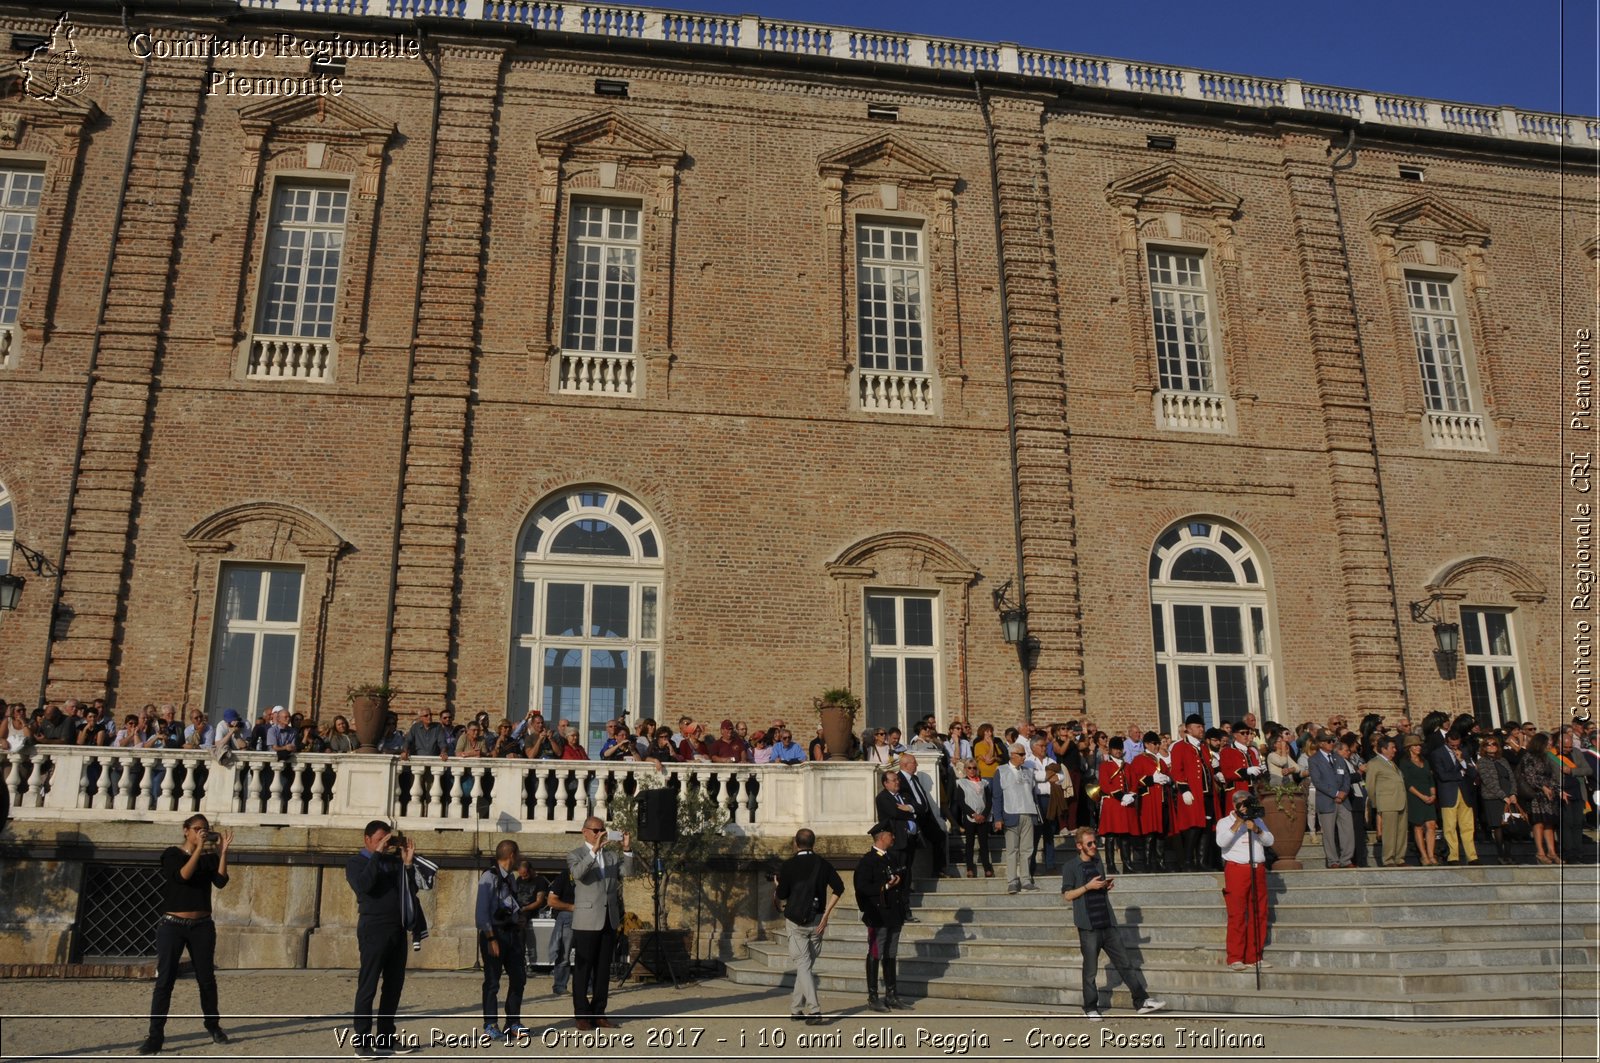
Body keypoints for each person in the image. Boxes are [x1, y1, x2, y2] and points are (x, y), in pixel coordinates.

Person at [138, 815, 233, 1055]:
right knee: (165, 981)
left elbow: (221, 881)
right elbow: (182, 876)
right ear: (185, 831)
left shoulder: (208, 858)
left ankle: (213, 1026)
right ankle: (155, 1036)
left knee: (207, 980)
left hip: (201, 925)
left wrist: (222, 853)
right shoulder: (172, 855)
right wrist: (198, 849)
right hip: (173, 925)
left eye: (205, 830)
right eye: (197, 829)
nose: (202, 833)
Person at [346, 820, 435, 1058]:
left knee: (394, 986)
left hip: (397, 929)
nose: (384, 845)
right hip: (373, 928)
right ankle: (362, 1041)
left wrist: (407, 863)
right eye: (379, 840)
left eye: (387, 840)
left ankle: (386, 1038)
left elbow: (410, 893)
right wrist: (376, 855)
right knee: (368, 986)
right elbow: (364, 886)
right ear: (367, 839)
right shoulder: (356, 862)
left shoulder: (393, 862)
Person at [1059, 827, 1166, 1020]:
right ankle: (1090, 1008)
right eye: (1089, 843)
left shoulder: (1098, 862)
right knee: (1090, 970)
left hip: (1107, 923)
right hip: (1088, 927)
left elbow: (1097, 891)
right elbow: (1067, 895)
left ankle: (1141, 1001)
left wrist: (1105, 887)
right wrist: (1087, 886)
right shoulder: (1070, 867)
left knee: (1125, 963)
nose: (1094, 846)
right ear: (1079, 846)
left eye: (1094, 842)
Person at [567, 816, 635, 1030]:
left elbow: (629, 873)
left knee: (603, 970)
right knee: (583, 969)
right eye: (595, 830)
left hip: (608, 919)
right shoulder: (576, 855)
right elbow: (578, 874)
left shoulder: (612, 856)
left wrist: (627, 849)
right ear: (584, 831)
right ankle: (582, 1015)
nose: (599, 834)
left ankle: (599, 1013)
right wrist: (593, 852)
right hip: (586, 920)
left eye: (602, 830)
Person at [773, 827, 846, 1025]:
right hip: (818, 920)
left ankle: (814, 1010)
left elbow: (782, 895)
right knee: (805, 966)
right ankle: (796, 1009)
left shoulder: (788, 865)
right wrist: (827, 914)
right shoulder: (823, 864)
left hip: (796, 921)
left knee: (803, 965)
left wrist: (776, 885)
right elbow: (839, 887)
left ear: (796, 844)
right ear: (813, 843)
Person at [853, 824, 910, 1012]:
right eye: (891, 836)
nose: (893, 838)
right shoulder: (868, 861)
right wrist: (885, 887)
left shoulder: (891, 858)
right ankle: (873, 996)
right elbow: (862, 887)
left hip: (894, 913)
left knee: (891, 952)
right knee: (876, 952)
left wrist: (898, 882)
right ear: (882, 837)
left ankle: (892, 994)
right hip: (878, 914)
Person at [475, 840, 529, 1040]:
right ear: (512, 855)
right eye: (519, 854)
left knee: (519, 977)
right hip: (494, 934)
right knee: (492, 981)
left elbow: (511, 903)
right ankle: (490, 1024)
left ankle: (513, 1022)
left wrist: (519, 917)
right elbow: (481, 913)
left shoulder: (511, 878)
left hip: (512, 933)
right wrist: (491, 938)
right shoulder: (488, 877)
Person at [1216, 790, 1274, 971]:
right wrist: (1238, 823)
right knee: (1237, 913)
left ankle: (1254, 956)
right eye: (1241, 803)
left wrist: (1256, 829)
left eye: (1247, 803)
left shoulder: (1257, 820)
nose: (1245, 806)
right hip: (1236, 870)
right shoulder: (1224, 822)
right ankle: (1235, 957)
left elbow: (1270, 840)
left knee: (1259, 913)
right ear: (1234, 804)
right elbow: (1221, 842)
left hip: (1257, 868)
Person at [989, 742, 1041, 893]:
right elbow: (997, 796)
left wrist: (1036, 815)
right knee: (1012, 849)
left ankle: (1026, 879)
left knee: (1027, 849)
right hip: (1010, 812)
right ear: (1012, 755)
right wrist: (997, 817)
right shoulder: (1001, 771)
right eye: (1021, 754)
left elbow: (1033, 794)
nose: (1024, 757)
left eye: (1024, 754)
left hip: (1028, 812)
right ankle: (1012, 881)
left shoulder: (1028, 771)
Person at [1430, 725, 1479, 864]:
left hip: (1465, 793)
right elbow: (1442, 775)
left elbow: (1473, 773)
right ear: (1446, 741)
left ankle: (1472, 856)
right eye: (1452, 745)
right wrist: (1460, 773)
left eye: (1457, 745)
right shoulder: (1437, 753)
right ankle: (1453, 856)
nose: (1455, 747)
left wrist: (1462, 761)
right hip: (1448, 794)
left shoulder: (1464, 752)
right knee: (1450, 827)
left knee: (1468, 826)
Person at [1308, 731, 1354, 868]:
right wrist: (1335, 793)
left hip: (1344, 801)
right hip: (1327, 800)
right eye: (1329, 741)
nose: (1332, 743)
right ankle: (1333, 860)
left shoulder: (1338, 758)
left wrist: (1344, 792)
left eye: (1333, 741)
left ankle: (1347, 859)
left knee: (1347, 831)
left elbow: (1346, 776)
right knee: (1328, 833)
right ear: (1321, 744)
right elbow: (1317, 781)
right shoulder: (1314, 760)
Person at [1366, 735, 1409, 867]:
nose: (1395, 750)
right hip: (1387, 803)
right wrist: (1377, 804)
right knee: (1389, 833)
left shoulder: (1392, 763)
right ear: (1383, 749)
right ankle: (1388, 859)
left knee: (1402, 832)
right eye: (1392, 747)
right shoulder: (1374, 763)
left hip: (1401, 802)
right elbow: (1370, 785)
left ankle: (1399, 858)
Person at [1400, 736, 1440, 865]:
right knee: (1418, 826)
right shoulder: (1405, 763)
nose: (1418, 748)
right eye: (1415, 745)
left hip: (1428, 795)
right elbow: (1407, 782)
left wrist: (1433, 794)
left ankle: (1431, 854)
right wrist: (1421, 796)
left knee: (1431, 825)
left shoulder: (1425, 761)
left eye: (1419, 745)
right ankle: (1424, 855)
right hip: (1414, 797)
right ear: (1409, 748)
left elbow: (1430, 779)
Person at [954, 758, 994, 877]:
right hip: (970, 817)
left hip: (983, 818)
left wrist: (984, 815)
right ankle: (970, 868)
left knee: (984, 843)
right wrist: (973, 814)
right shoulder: (961, 783)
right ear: (965, 769)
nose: (972, 770)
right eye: (969, 768)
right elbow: (961, 802)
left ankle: (987, 867)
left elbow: (989, 801)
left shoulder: (984, 783)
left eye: (974, 768)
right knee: (969, 843)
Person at [545, 866, 576, 997]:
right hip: (568, 917)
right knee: (564, 953)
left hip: (588, 918)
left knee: (587, 954)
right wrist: (572, 907)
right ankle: (560, 986)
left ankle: (589, 986)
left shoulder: (591, 875)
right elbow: (551, 901)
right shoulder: (565, 876)